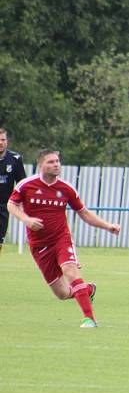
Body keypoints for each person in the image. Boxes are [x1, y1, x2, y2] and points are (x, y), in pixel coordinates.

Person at [7, 149, 121, 328]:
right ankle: (87, 289)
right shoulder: (26, 185)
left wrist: (108, 226)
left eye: (57, 161)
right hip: (39, 246)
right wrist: (26, 220)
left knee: (70, 270)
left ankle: (90, 319)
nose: (56, 165)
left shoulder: (66, 188)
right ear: (41, 165)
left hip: (62, 240)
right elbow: (11, 205)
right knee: (61, 293)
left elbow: (84, 213)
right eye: (51, 162)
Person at [0, 128, 27, 256]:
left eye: (3, 139)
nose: (0, 142)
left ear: (7, 141)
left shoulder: (15, 159)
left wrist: (24, 202)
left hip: (4, 206)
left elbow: (22, 183)